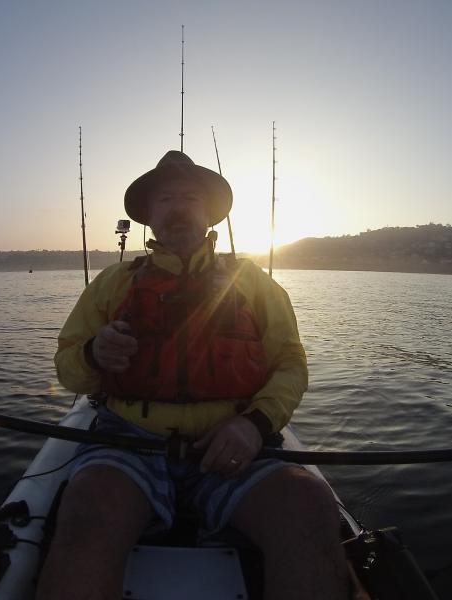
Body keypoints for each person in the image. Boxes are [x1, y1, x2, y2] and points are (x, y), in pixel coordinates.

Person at [37, 151, 349, 600]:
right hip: (130, 443)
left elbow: (290, 364)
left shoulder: (256, 285)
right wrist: (93, 354)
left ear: (208, 213)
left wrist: (255, 424)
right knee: (85, 511)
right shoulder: (111, 283)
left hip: (235, 449)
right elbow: (68, 369)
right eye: (165, 199)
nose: (179, 207)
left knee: (309, 505)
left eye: (190, 198)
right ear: (149, 215)